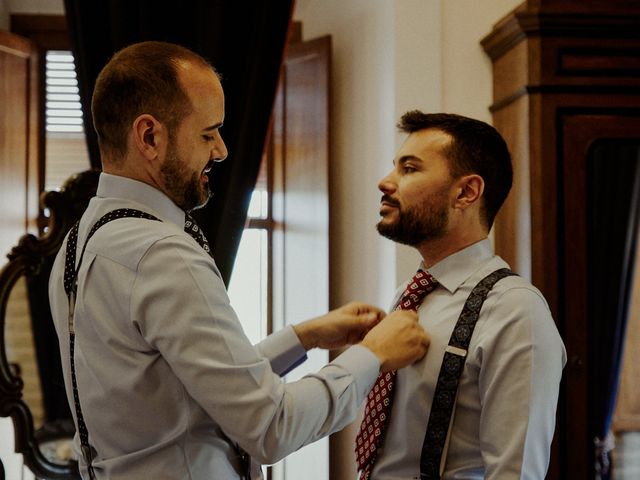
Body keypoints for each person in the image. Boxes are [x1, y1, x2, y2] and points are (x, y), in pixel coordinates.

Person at [48, 41, 431, 480]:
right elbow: (271, 427)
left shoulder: (78, 245)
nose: (222, 151)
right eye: (208, 133)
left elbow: (190, 390)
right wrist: (372, 356)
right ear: (150, 136)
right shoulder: (162, 255)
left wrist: (304, 338)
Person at [354, 111, 567, 479]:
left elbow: (515, 473)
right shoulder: (408, 296)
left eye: (409, 169)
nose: (385, 182)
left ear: (466, 192)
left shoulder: (516, 311)